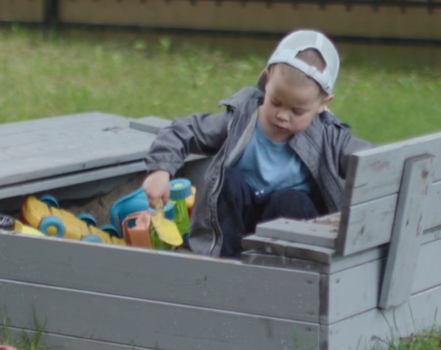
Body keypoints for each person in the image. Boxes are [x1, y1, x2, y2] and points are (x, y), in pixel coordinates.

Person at [142, 30, 370, 257]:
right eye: (276, 102)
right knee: (228, 181)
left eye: (297, 111)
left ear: (322, 104)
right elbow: (184, 130)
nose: (283, 115)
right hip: (237, 223)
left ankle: (283, 271)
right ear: (268, 80)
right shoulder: (240, 120)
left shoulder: (328, 137)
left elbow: (371, 159)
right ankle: (224, 263)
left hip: (286, 232)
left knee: (292, 199)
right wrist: (161, 170)